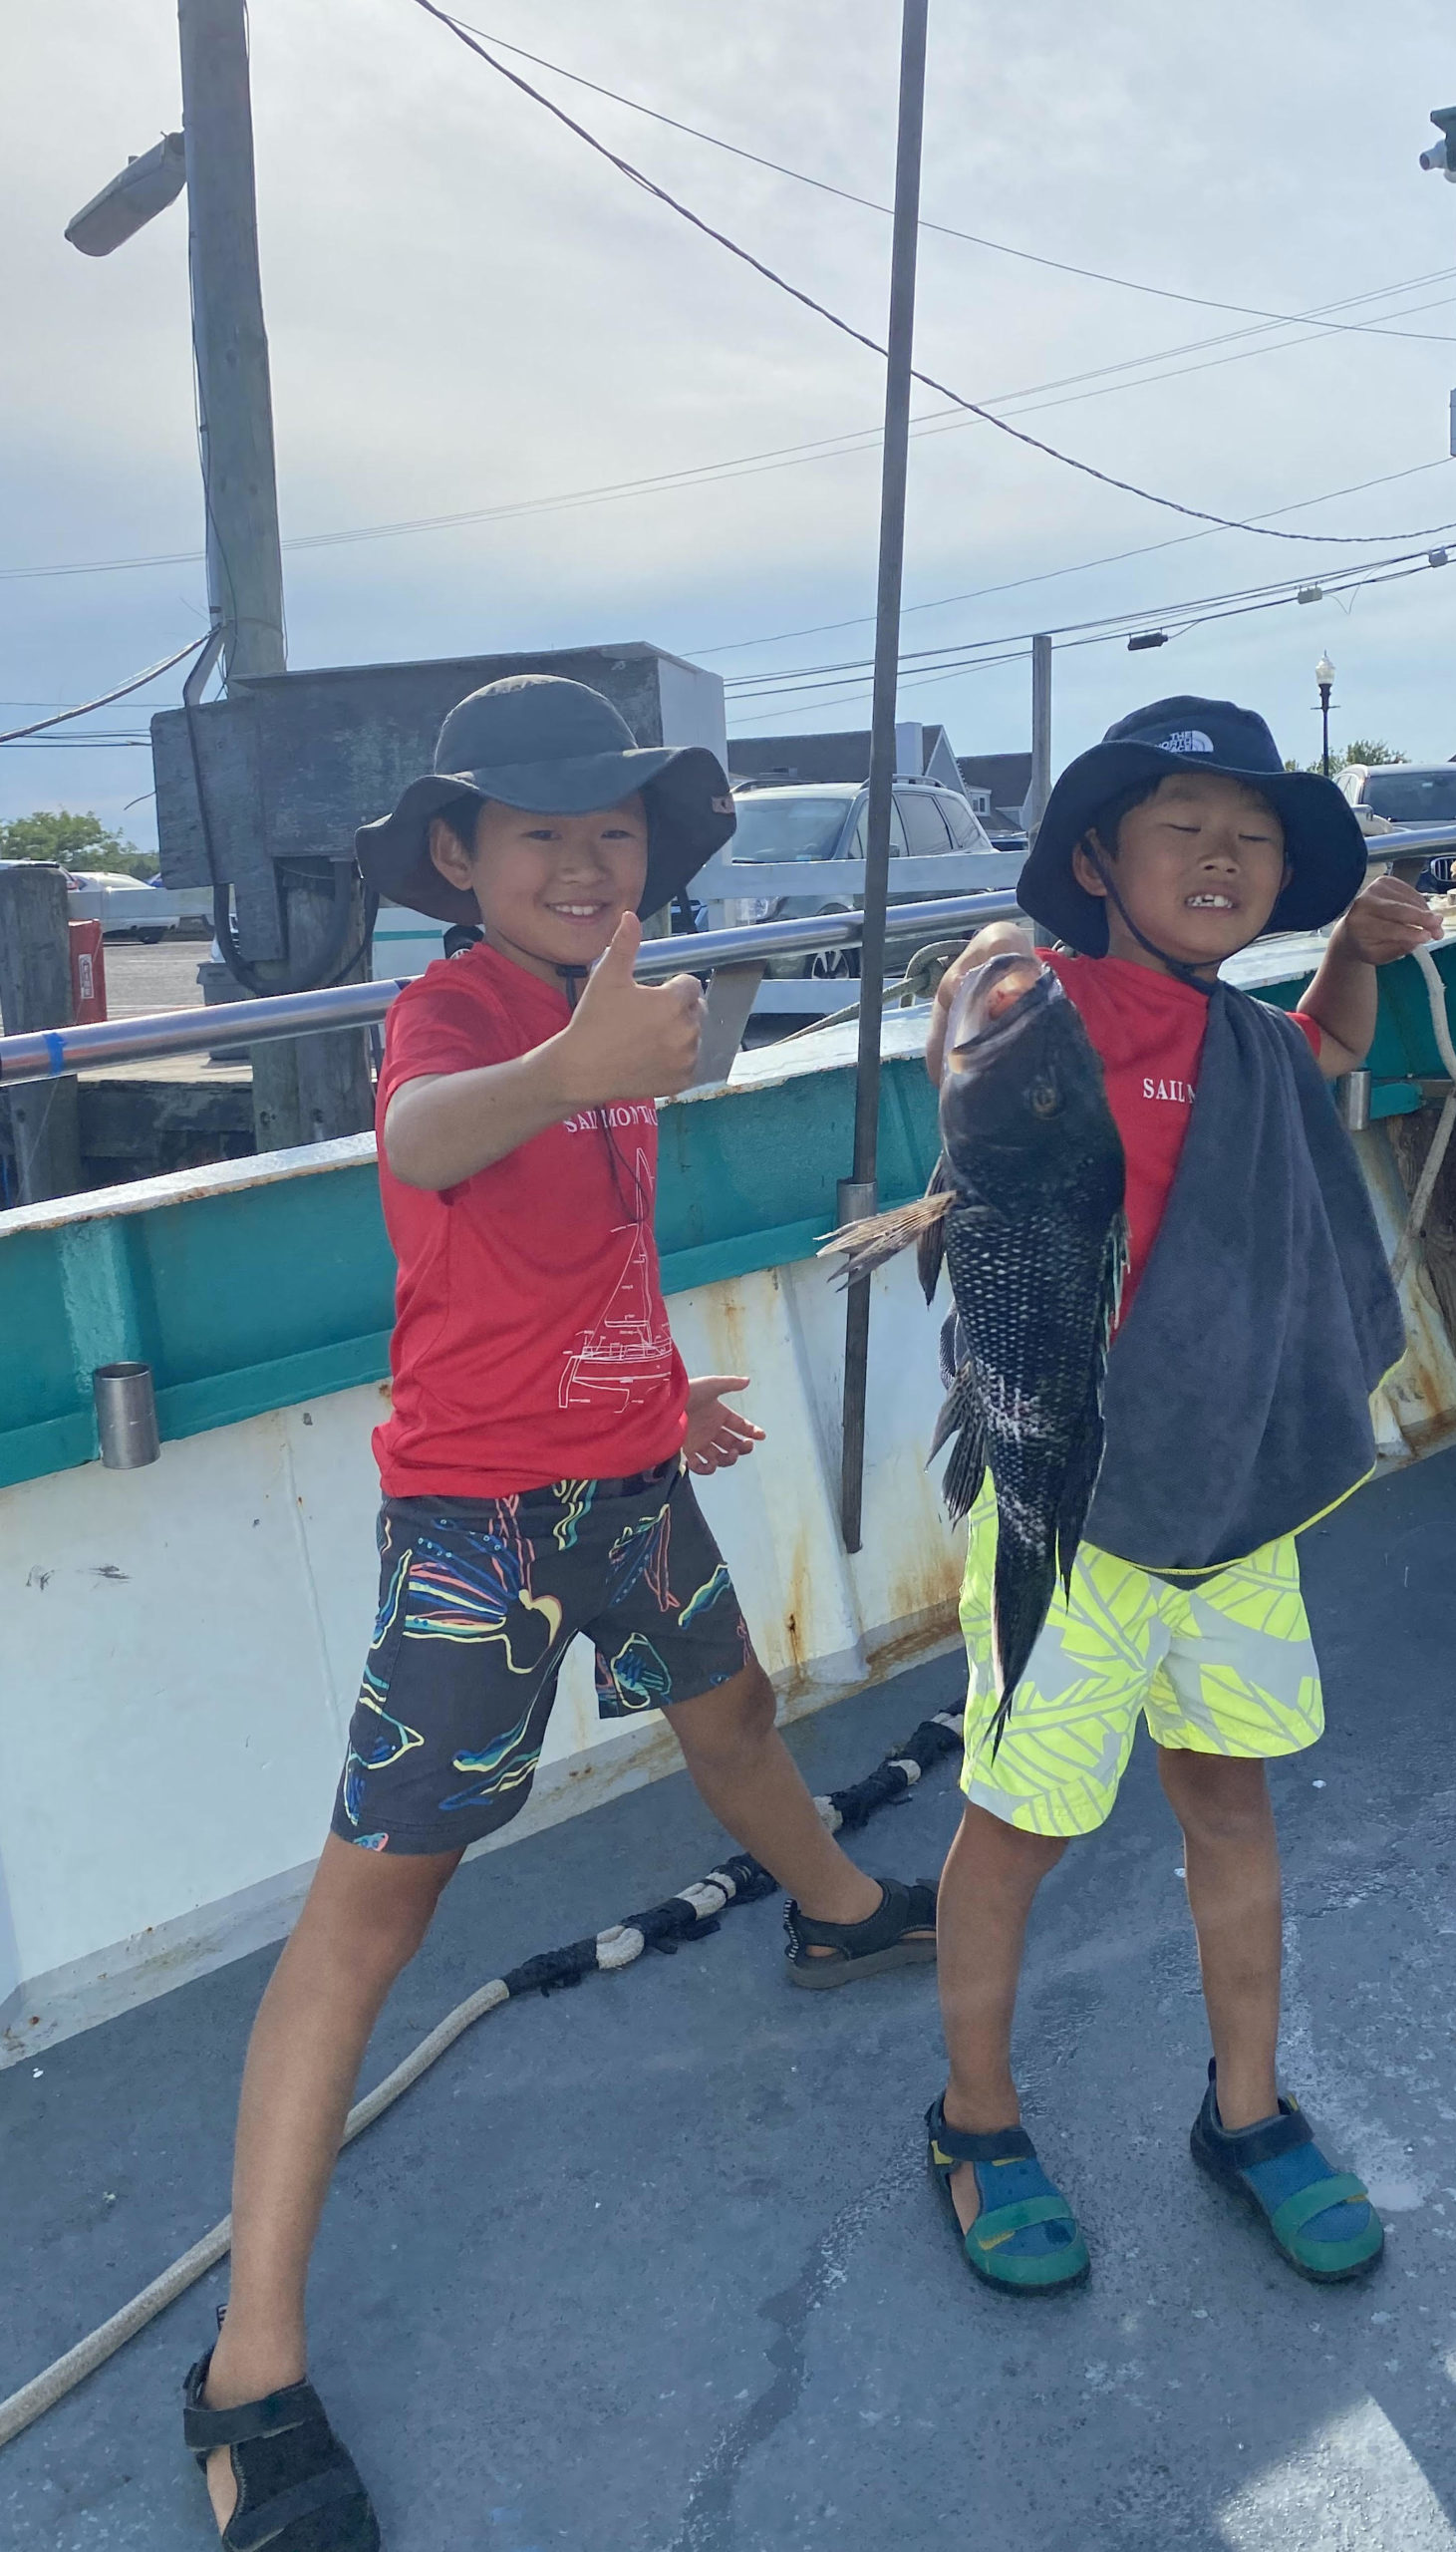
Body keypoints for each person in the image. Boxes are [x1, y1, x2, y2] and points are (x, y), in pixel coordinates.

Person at [182, 677, 936, 2548]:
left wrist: (653, 1398)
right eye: (544, 836)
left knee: (737, 1718)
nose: (589, 864)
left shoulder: (636, 1017)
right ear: (459, 859)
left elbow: (570, 1258)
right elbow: (428, 1143)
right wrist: (559, 1074)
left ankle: (836, 1917)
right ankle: (247, 2370)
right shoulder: (458, 1012)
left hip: (626, 1481)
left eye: (618, 835)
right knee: (378, 1899)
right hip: (477, 1532)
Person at [921, 695, 1441, 2295]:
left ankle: (1246, 2111)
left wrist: (1348, 944)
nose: (1221, 859)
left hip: (1231, 1508)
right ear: (1096, 857)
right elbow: (965, 1039)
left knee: (1231, 1801)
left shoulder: (1247, 1039)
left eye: (1253, 840)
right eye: (1181, 832)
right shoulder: (1041, 1003)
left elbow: (1334, 1048)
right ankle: (975, 2119)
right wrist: (989, 977)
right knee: (1015, 1831)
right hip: (1061, 1523)